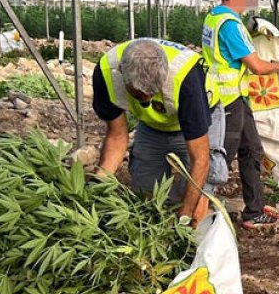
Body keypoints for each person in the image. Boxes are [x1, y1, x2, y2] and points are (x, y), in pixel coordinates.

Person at [91, 38, 227, 226]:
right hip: (151, 125)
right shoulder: (106, 73)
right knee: (145, 196)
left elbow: (200, 159)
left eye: (152, 93)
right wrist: (96, 188)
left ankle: (197, 240)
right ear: (122, 73)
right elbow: (116, 137)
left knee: (197, 202)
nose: (146, 100)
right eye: (139, 95)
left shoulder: (186, 79)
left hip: (201, 119)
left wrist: (185, 217)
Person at [202, 0, 279, 230]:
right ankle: (197, 209)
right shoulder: (230, 25)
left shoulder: (215, 17)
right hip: (228, 99)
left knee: (251, 149)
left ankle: (254, 210)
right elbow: (256, 66)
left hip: (234, 97)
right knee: (222, 155)